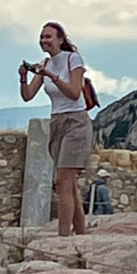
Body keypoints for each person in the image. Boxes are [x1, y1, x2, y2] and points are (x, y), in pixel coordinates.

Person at [19, 22, 96, 235]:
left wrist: (51, 76)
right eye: (42, 37)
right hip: (57, 121)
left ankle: (62, 236)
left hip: (76, 121)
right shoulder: (45, 63)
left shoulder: (73, 59)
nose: (44, 41)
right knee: (69, 184)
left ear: (61, 39)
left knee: (63, 181)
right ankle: (81, 233)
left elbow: (73, 91)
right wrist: (24, 77)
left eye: (48, 36)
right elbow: (27, 95)